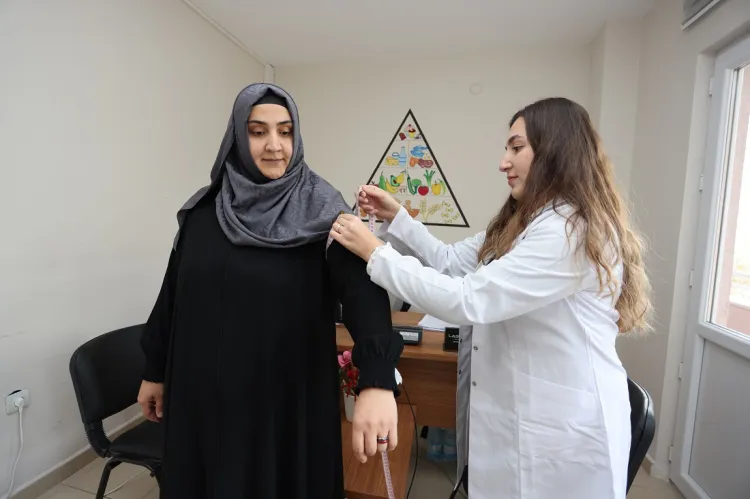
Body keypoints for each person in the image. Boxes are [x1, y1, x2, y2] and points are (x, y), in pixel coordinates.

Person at [329, 97, 653, 499]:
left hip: (561, 438)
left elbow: (468, 300)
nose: (503, 162)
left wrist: (374, 252)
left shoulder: (569, 232)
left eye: (516, 148)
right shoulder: (525, 223)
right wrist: (397, 217)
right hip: (523, 418)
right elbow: (450, 262)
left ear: (555, 150)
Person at [137, 83, 404, 499]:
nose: (274, 145)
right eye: (258, 131)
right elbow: (174, 293)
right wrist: (155, 369)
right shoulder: (204, 212)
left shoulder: (323, 212)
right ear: (236, 138)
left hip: (284, 402)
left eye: (285, 131)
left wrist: (377, 380)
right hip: (201, 398)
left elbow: (363, 295)